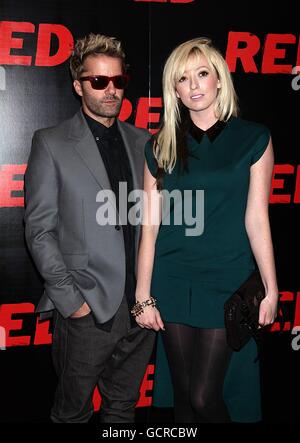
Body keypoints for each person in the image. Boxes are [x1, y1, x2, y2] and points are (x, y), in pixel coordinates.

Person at [134, 37, 278, 423]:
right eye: (183, 79)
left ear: (219, 80)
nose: (194, 85)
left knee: (203, 396)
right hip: (173, 278)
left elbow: (257, 218)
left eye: (202, 74)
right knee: (182, 396)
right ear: (175, 91)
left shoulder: (254, 139)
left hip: (226, 279)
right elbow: (149, 226)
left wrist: (271, 287)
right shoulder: (159, 146)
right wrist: (143, 295)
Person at [24, 33, 155, 423]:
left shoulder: (143, 141)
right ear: (78, 84)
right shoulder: (51, 143)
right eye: (99, 81)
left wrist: (149, 293)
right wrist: (72, 302)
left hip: (141, 307)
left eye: (119, 81)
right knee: (72, 414)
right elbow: (39, 230)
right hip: (87, 308)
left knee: (122, 410)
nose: (111, 90)